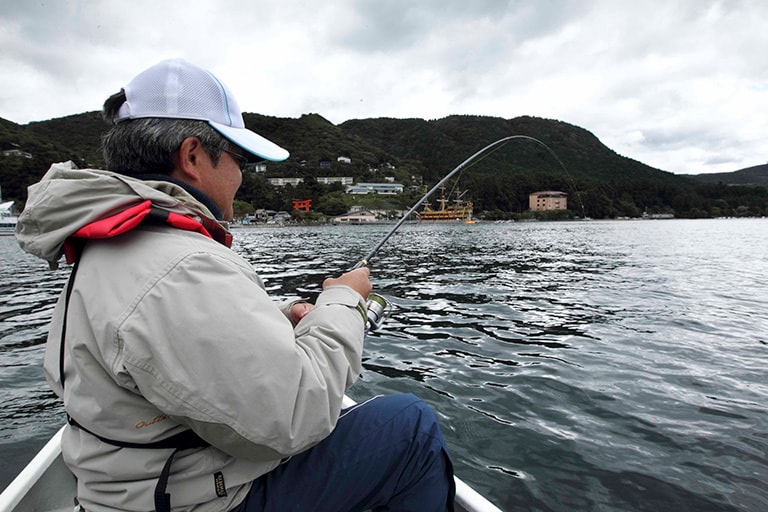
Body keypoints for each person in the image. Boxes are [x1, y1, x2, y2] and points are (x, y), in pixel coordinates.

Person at [15, 58, 455, 512]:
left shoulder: (112, 245)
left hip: (137, 487)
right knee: (410, 426)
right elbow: (293, 417)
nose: (242, 177)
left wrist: (278, 318)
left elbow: (168, 340)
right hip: (197, 500)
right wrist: (343, 300)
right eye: (238, 159)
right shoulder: (178, 264)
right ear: (192, 156)